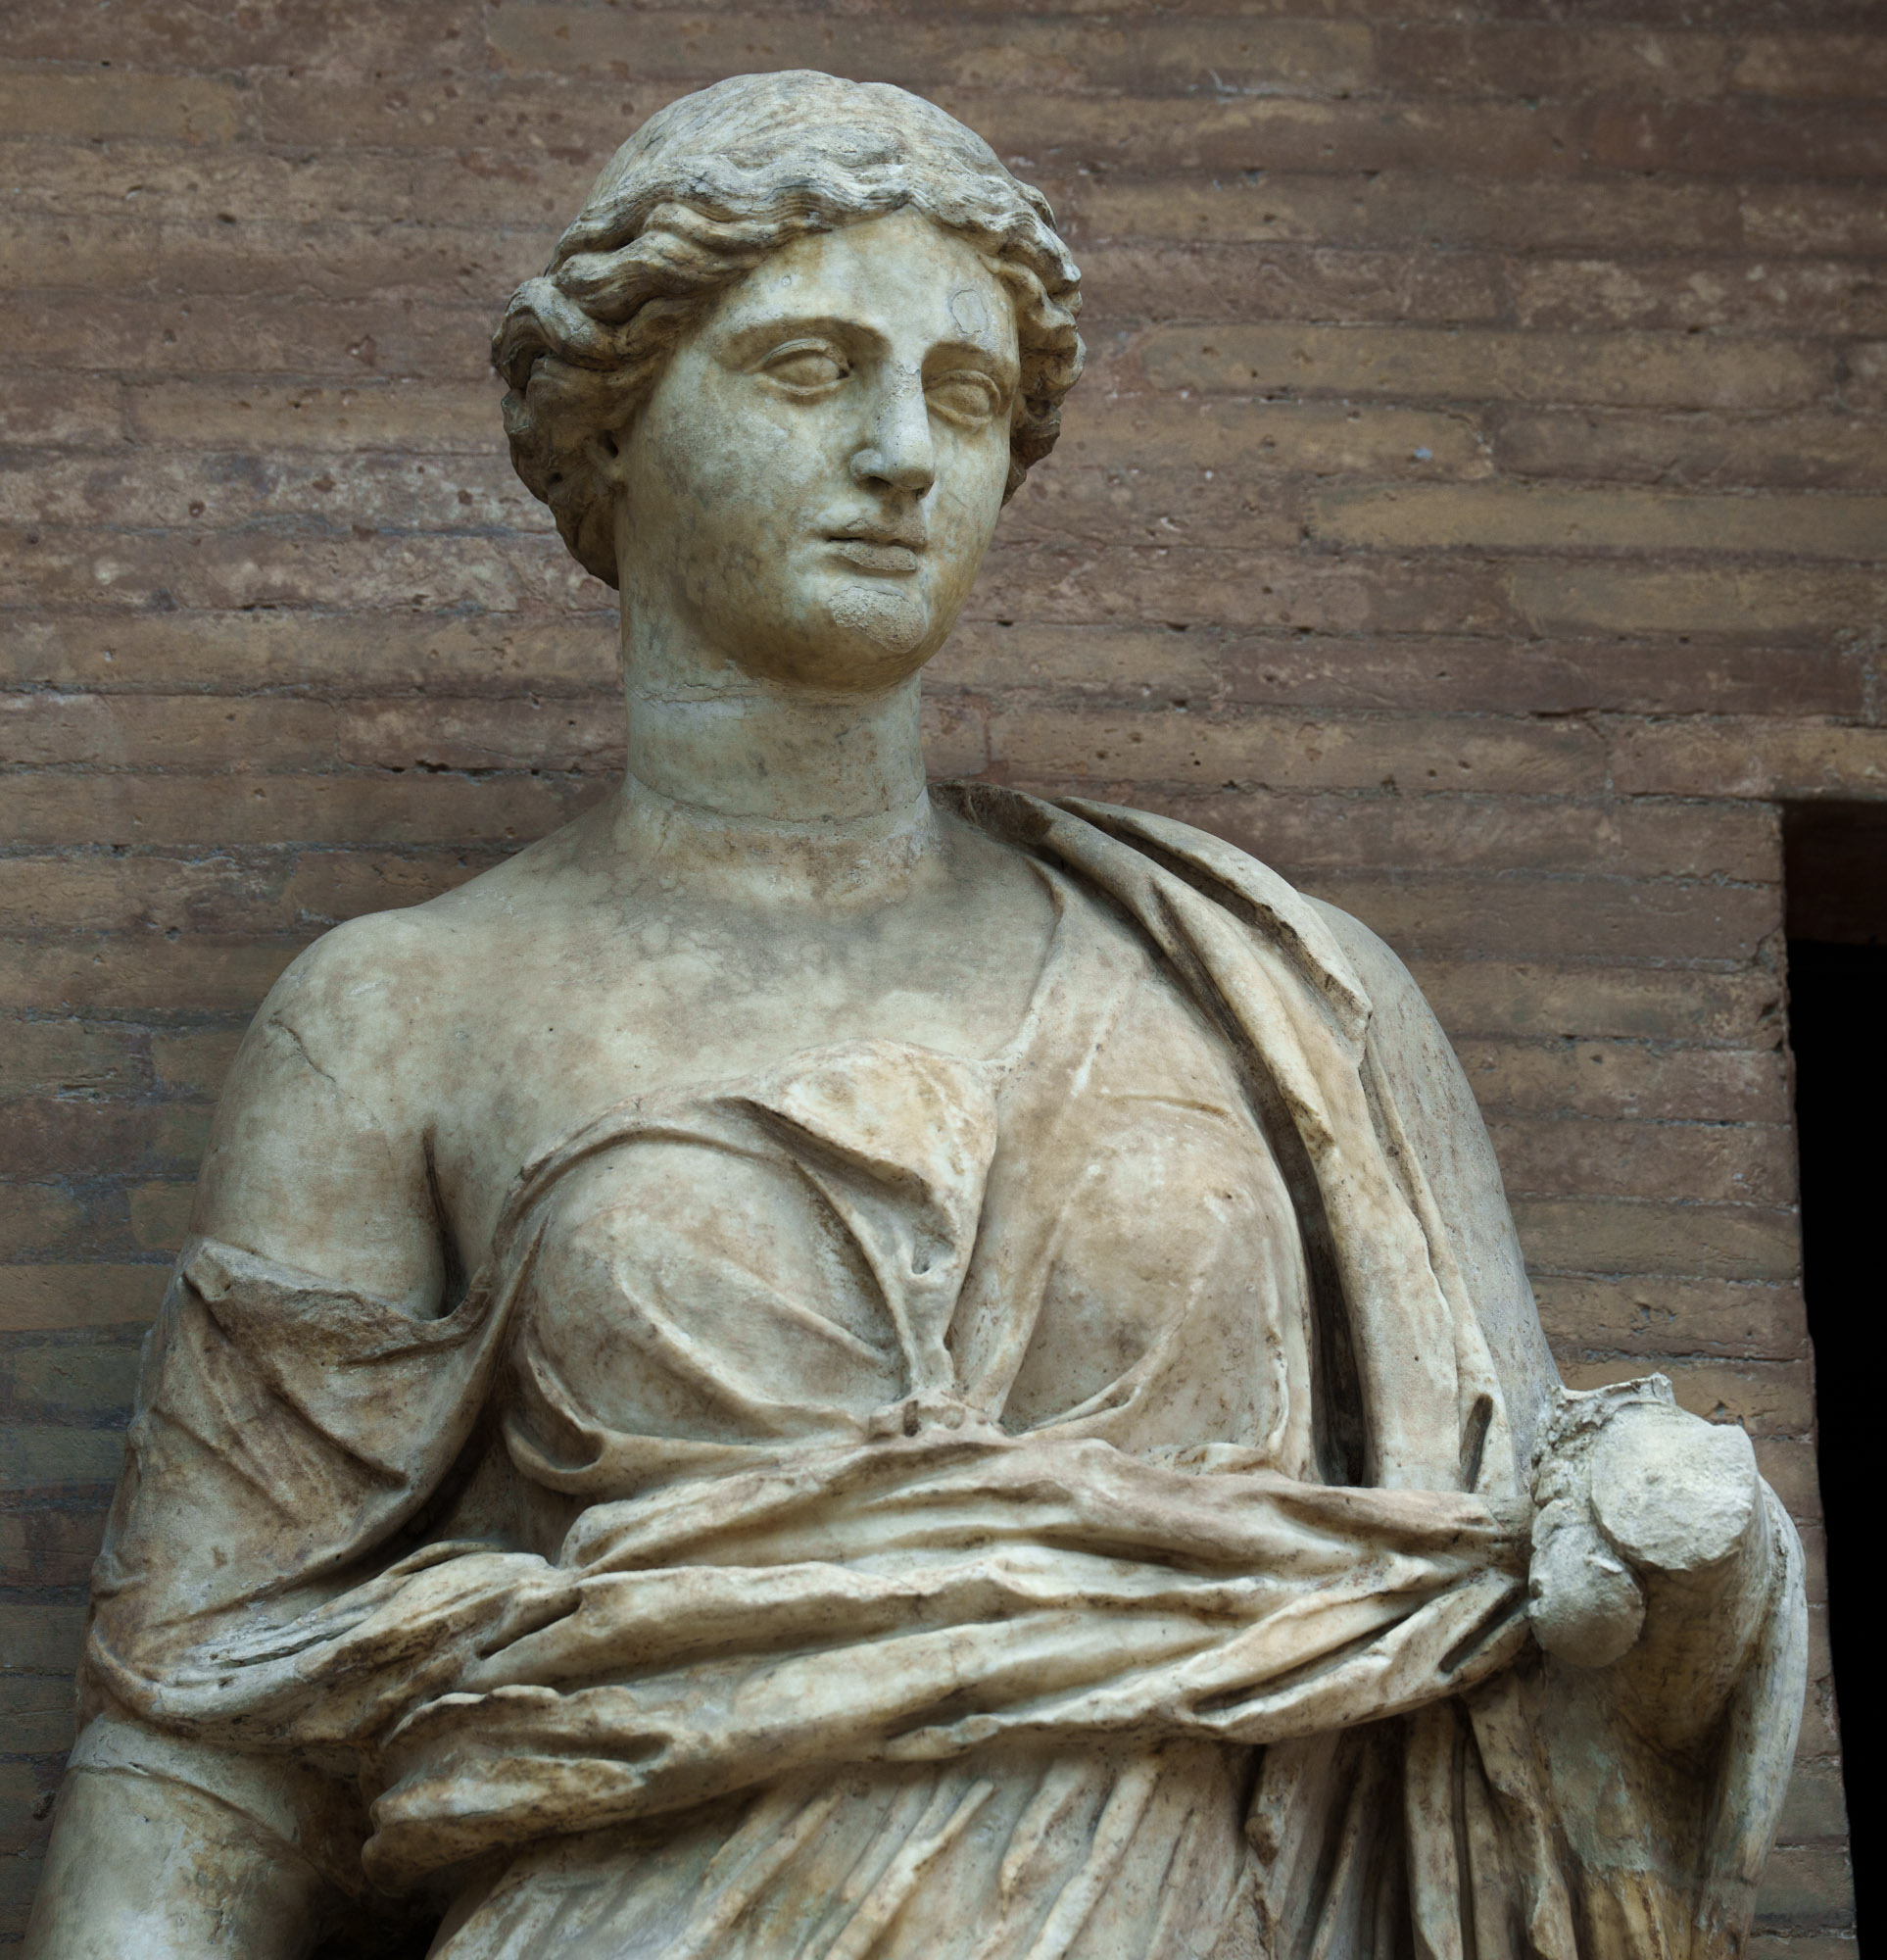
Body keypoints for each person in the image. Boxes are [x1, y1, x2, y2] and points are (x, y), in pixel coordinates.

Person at [26, 71, 1804, 1960]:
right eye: (809, 370)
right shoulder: (404, 1015)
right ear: (607, 426)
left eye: (963, 396)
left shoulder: (1284, 995)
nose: (900, 453)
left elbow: (1518, 1643)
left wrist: (1675, 1571)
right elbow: (209, 1738)